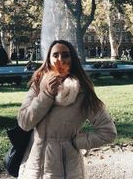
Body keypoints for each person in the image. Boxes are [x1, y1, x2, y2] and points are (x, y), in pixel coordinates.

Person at [17, 40, 117, 178]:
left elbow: (108, 132)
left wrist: (76, 142)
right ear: (49, 60)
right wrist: (45, 95)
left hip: (66, 170)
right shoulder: (38, 85)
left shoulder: (82, 92)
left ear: (72, 59)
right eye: (55, 55)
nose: (60, 60)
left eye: (65, 55)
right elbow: (24, 123)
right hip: (33, 168)